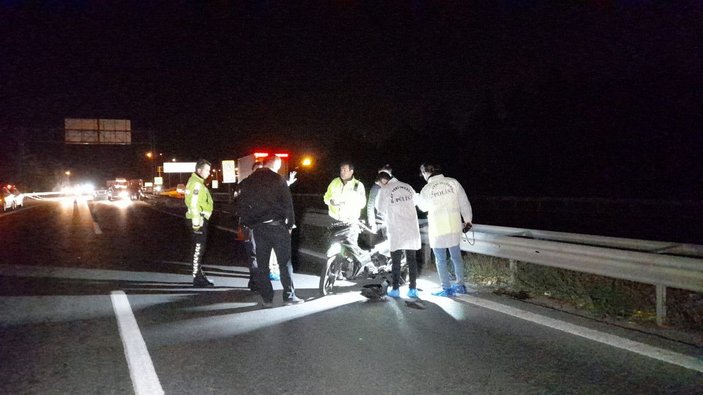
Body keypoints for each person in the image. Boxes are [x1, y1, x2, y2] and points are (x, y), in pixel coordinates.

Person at [238, 155, 303, 307]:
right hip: (277, 227)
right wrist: (289, 225)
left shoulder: (248, 181)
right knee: (284, 263)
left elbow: (242, 205)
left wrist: (248, 224)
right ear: (276, 165)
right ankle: (289, 296)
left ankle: (267, 299)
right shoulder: (278, 179)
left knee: (262, 265)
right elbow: (288, 205)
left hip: (258, 229)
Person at [416, 162, 473, 297]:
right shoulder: (453, 182)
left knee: (440, 259)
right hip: (454, 226)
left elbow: (423, 208)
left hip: (438, 229)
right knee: (456, 257)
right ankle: (460, 285)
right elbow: (464, 202)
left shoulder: (427, 188)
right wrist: (468, 220)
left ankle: (446, 288)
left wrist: (417, 199)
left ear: (425, 172)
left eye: (422, 173)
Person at [375, 170, 420, 298]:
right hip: (411, 227)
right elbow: (415, 202)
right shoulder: (407, 186)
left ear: (383, 181)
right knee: (412, 260)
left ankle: (395, 289)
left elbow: (380, 208)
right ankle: (412, 289)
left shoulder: (384, 189)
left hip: (396, 228)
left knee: (396, 260)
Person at [323, 161, 366, 258]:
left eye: (345, 170)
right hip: (335, 220)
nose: (342, 172)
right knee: (333, 246)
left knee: (350, 247)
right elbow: (326, 197)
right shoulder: (335, 182)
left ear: (351, 171)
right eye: (341, 170)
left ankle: (352, 267)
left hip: (350, 222)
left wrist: (349, 203)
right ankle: (333, 268)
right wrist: (331, 201)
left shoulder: (358, 185)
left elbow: (362, 203)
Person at [185, 159, 215, 287]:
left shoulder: (197, 182)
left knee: (199, 249)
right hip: (198, 220)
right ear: (199, 170)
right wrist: (197, 224)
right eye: (206, 170)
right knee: (198, 249)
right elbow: (193, 205)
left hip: (199, 219)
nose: (209, 173)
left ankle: (199, 275)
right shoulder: (196, 184)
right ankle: (197, 278)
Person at [366, 164, 393, 234]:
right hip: (380, 222)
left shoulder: (390, 187)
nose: (385, 179)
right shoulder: (376, 188)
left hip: (390, 221)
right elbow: (370, 205)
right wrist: (372, 223)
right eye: (383, 176)